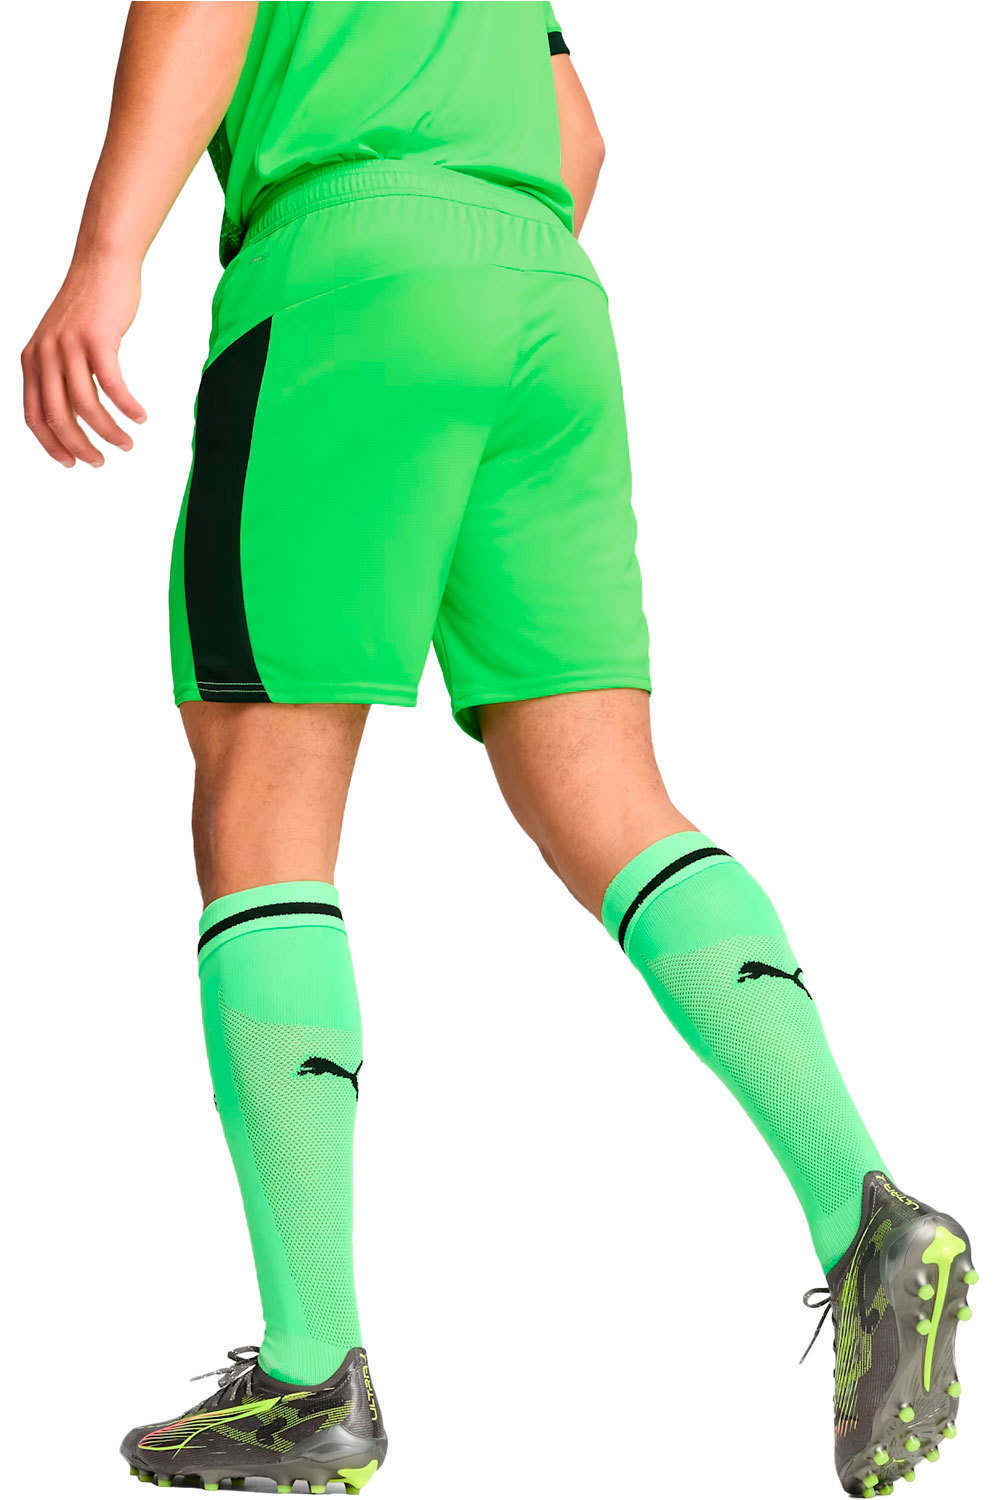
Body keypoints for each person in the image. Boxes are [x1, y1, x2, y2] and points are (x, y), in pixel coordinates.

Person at [21, 4, 976, 1495]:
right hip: (543, 300)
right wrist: (469, 265)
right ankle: (868, 1216)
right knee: (610, 792)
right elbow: (577, 135)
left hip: (350, 280)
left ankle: (310, 1376)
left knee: (262, 795)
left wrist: (106, 256)